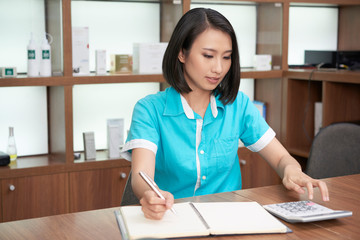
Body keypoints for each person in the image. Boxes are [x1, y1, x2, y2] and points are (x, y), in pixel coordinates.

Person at [121, 8, 329, 220]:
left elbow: (282, 158)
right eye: (208, 56)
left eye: (227, 57)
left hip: (228, 219)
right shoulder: (149, 109)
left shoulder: (238, 105)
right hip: (173, 218)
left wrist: (292, 171)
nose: (219, 68)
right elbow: (141, 175)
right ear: (181, 53)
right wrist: (149, 194)